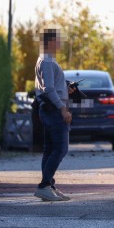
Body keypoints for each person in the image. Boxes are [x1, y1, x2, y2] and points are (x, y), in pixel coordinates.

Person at [34, 27, 74, 202]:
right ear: (50, 41)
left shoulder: (44, 59)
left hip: (48, 108)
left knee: (50, 148)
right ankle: (44, 186)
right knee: (60, 148)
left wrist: (66, 89)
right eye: (57, 40)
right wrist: (62, 108)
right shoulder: (47, 61)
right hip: (53, 109)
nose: (59, 43)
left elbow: (52, 86)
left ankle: (48, 186)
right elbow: (48, 88)